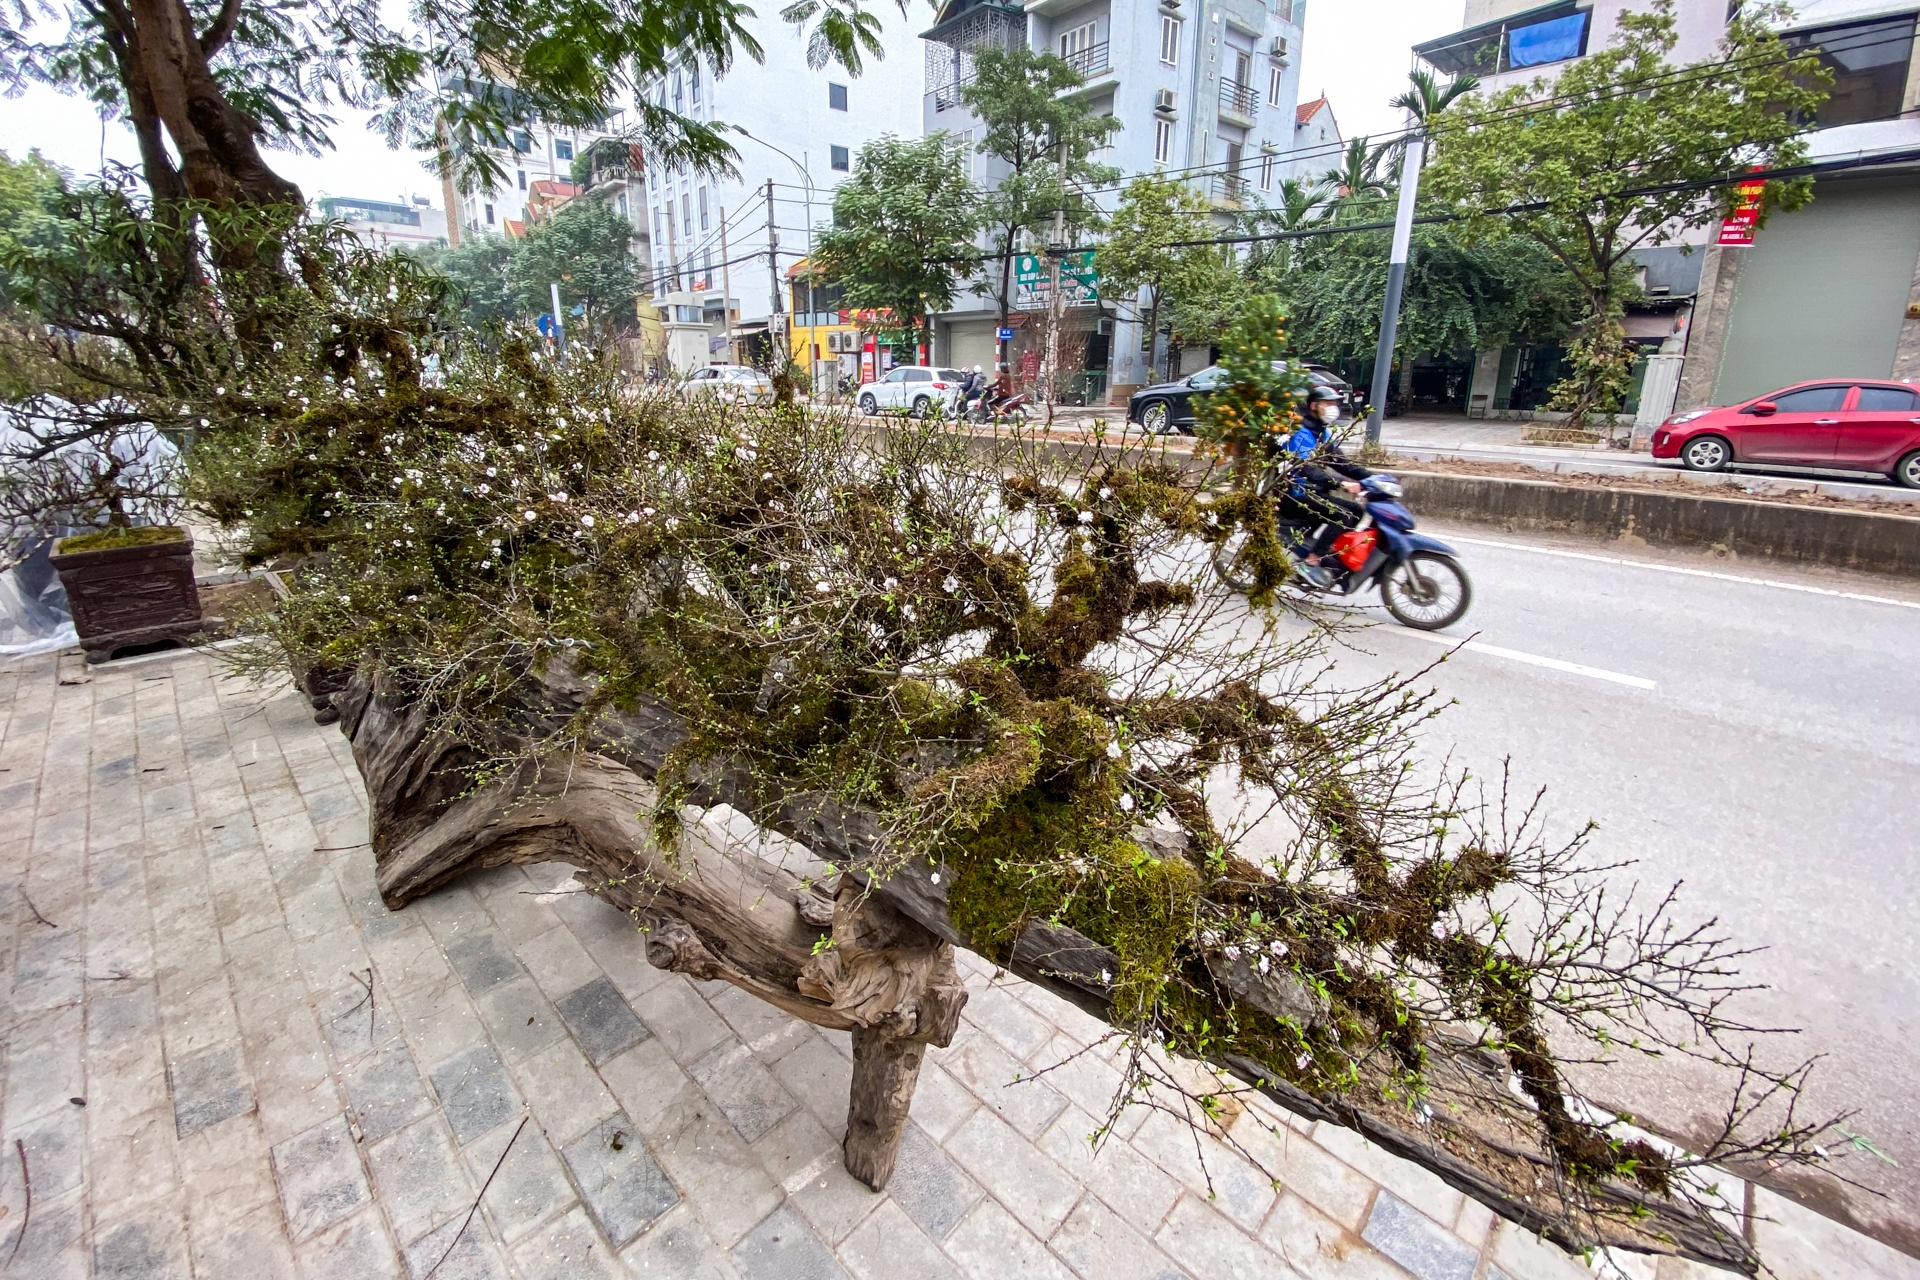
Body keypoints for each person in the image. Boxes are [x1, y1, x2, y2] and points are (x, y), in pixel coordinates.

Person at [1273, 384, 1371, 587]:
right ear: (1314, 406)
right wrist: (1340, 483)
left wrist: (1374, 479)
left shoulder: (1320, 433)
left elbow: (1342, 463)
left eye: (1335, 403)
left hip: (1314, 492)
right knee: (1343, 516)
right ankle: (1312, 560)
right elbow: (1306, 468)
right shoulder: (1300, 433)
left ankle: (1324, 551)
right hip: (1294, 494)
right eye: (1328, 403)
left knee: (1357, 511)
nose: (1333, 408)